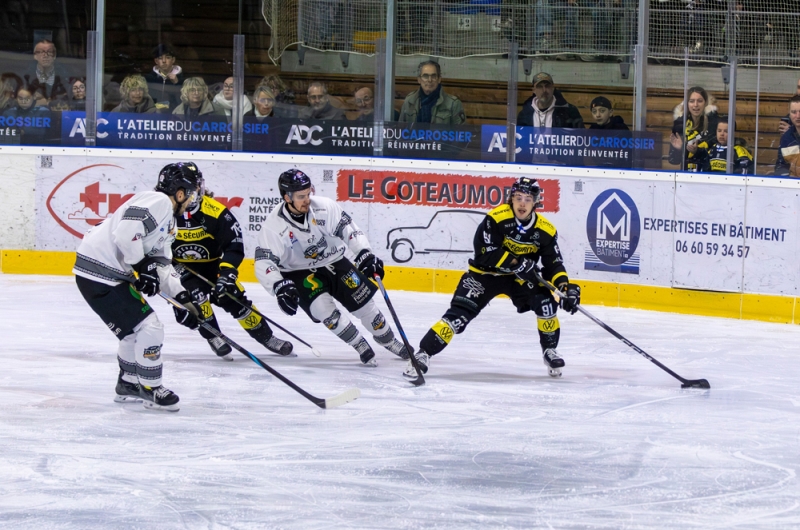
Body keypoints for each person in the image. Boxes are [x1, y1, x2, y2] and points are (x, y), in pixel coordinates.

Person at [404, 177, 581, 379]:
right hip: (484, 275)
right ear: (511, 198)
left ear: (535, 202)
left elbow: (553, 264)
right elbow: (484, 252)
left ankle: (550, 350)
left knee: (546, 303)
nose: (522, 203)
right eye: (518, 197)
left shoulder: (545, 230)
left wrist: (565, 288)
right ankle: (423, 353)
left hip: (518, 279)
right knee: (458, 316)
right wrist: (517, 262)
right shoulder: (496, 218)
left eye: (527, 199)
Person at [72, 162, 203, 412]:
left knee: (132, 333)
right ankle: (151, 388)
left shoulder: (169, 222)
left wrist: (183, 299)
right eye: (191, 193)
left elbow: (161, 264)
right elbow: (125, 234)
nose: (192, 200)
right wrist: (142, 266)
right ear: (179, 193)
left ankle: (129, 383)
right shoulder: (158, 201)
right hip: (100, 273)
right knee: (149, 326)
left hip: (103, 274)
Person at [254, 169, 413, 366]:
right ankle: (358, 343)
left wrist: (364, 253)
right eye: (301, 197)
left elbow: (349, 231)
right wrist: (278, 286)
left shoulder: (325, 207)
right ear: (287, 197)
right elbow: (264, 262)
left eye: (308, 194)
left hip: (335, 261)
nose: (307, 200)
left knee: (367, 307)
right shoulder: (273, 226)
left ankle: (388, 340)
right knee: (323, 309)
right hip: (297, 271)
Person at [173, 163, 293, 360]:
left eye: (197, 187)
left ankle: (267, 337)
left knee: (232, 295)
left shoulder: (215, 211)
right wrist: (171, 267)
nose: (196, 193)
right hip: (181, 268)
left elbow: (234, 245)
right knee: (196, 298)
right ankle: (213, 336)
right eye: (191, 190)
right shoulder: (164, 212)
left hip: (213, 265)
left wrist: (227, 273)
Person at [398, 61, 465, 125]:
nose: (429, 80)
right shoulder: (409, 101)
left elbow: (461, 132)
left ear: (439, 79)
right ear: (419, 79)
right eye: (425, 76)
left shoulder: (453, 104)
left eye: (433, 76)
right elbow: (400, 129)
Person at [669, 86, 719, 171]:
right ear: (687, 104)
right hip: (687, 174)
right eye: (692, 101)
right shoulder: (680, 124)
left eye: (700, 101)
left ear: (705, 103)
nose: (695, 105)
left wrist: (697, 151)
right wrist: (679, 149)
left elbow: (716, 156)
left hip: (709, 174)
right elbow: (673, 160)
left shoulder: (713, 123)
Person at [517, 72, 584, 128]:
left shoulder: (569, 112)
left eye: (547, 86)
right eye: (540, 86)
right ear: (534, 90)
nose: (544, 90)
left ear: (553, 88)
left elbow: (580, 135)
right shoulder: (525, 114)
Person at [24, 39, 69, 107]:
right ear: (35, 56)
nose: (45, 55)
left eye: (49, 52)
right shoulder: (26, 77)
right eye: (41, 52)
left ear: (54, 56)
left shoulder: (65, 76)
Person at [144, 44, 184, 112]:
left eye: (168, 58)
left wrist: (177, 83)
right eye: (160, 58)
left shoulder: (182, 79)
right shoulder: (149, 79)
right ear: (156, 61)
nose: (164, 61)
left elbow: (184, 101)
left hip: (175, 115)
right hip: (152, 114)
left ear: (173, 60)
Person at [774, 95, 800, 177]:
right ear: (789, 114)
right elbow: (781, 165)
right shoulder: (786, 138)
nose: (798, 116)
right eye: (794, 112)